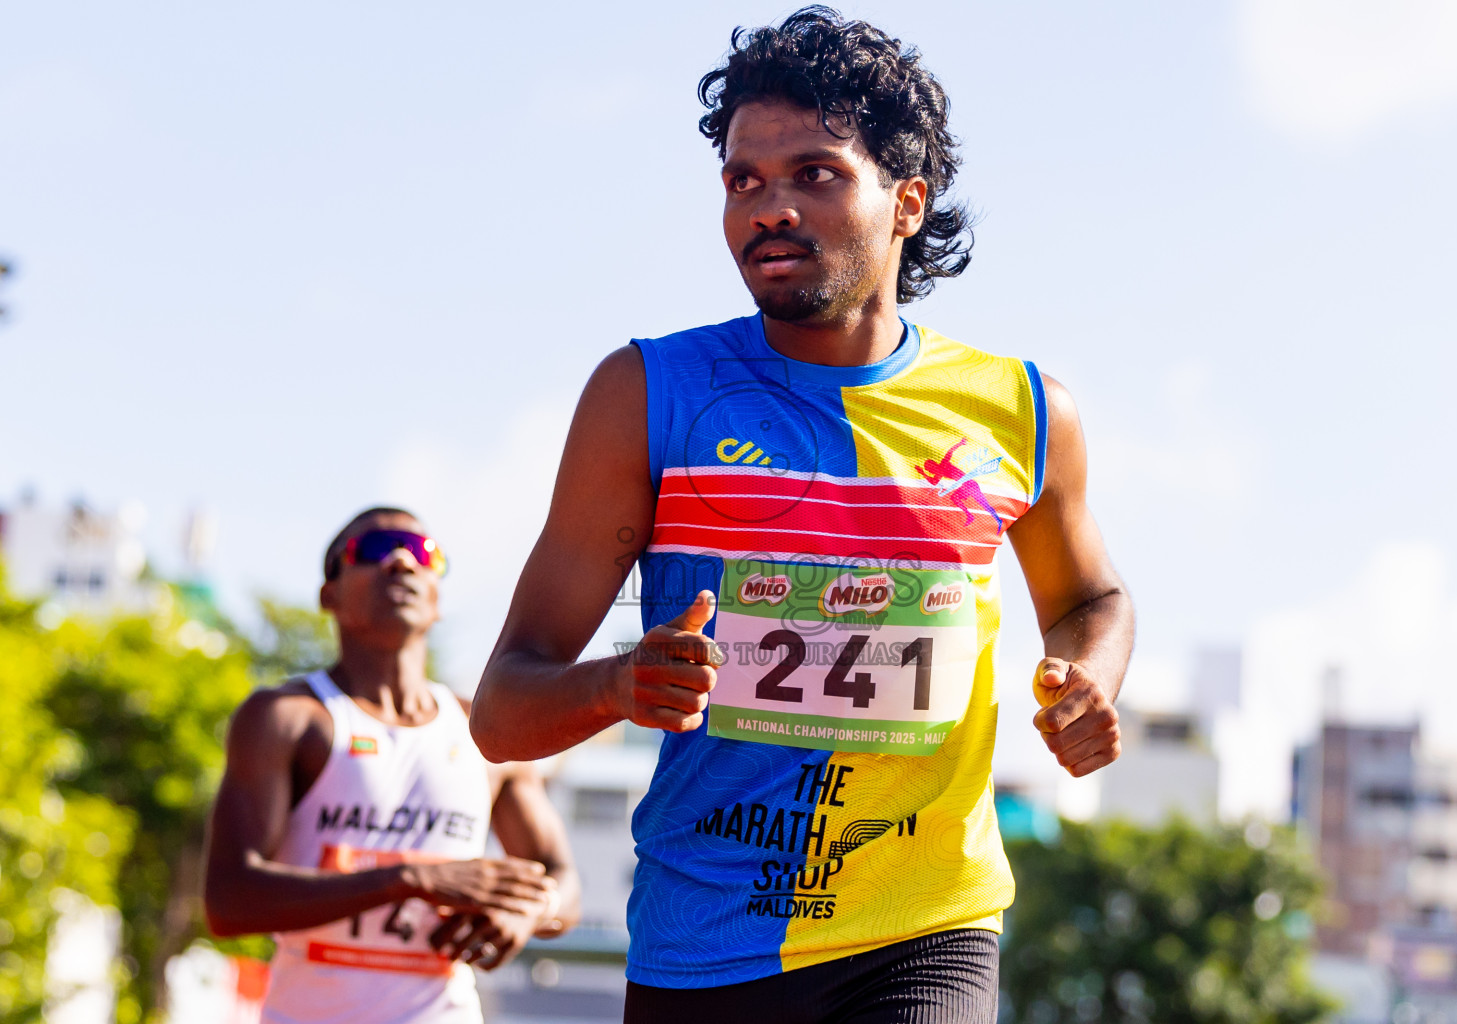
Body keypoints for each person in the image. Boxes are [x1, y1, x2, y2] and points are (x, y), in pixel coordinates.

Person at [470, 8, 1133, 1022]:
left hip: (926, 924)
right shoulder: (651, 393)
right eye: (744, 180)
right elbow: (505, 709)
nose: (768, 206)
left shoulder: (1024, 409)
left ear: (906, 201)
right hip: (707, 938)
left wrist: (1088, 677)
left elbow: (1091, 596)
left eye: (814, 173)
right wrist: (619, 682)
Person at [205, 507, 580, 1024]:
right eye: (376, 550)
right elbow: (229, 901)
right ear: (328, 594)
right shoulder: (286, 718)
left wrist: (526, 909)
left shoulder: (484, 731)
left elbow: (561, 878)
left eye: (424, 554)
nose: (402, 561)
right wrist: (410, 879)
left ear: (438, 598)